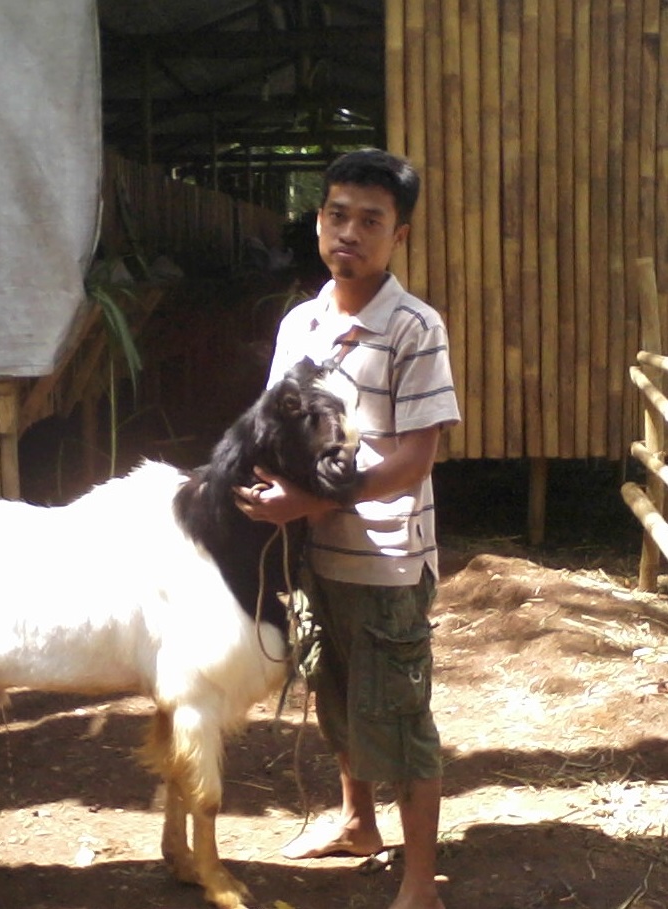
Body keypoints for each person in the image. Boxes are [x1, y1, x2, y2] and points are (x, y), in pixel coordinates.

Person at [235, 148, 460, 909]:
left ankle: (421, 882)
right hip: (313, 553)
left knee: (399, 714)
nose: (349, 233)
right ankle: (358, 823)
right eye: (337, 215)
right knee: (332, 692)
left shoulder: (414, 327)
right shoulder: (298, 323)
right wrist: (271, 492)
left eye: (371, 220)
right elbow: (275, 426)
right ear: (318, 223)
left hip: (385, 557)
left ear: (399, 235)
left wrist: (313, 501)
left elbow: (414, 460)